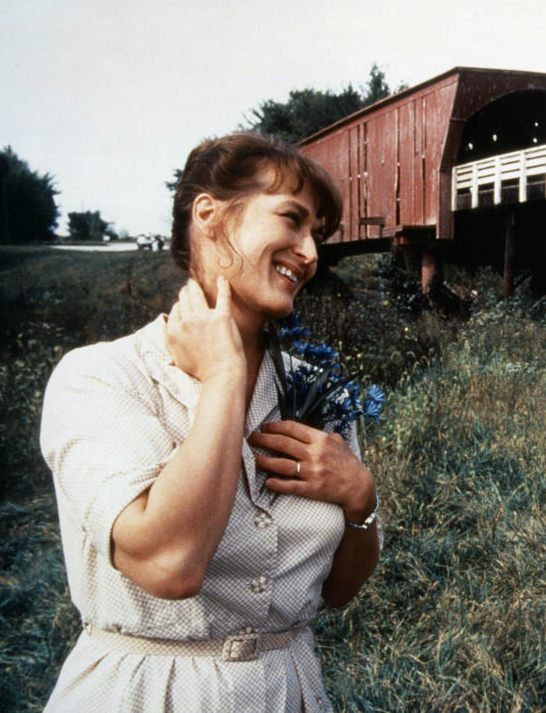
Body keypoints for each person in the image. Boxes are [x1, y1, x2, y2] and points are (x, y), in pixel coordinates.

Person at [40, 133, 381, 712]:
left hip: (286, 693)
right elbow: (170, 564)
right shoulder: (101, 377)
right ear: (209, 214)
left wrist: (361, 499)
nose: (311, 253)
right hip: (146, 694)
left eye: (317, 235)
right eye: (292, 220)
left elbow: (338, 592)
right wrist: (224, 376)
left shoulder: (314, 390)